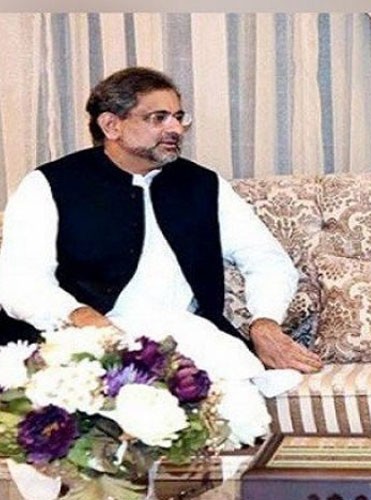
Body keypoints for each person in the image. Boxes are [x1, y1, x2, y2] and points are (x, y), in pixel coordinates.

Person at [0, 67, 322, 379]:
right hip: (86, 341)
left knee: (236, 392)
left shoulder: (203, 184)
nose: (176, 129)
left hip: (189, 338)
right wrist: (81, 317)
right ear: (111, 125)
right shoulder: (49, 184)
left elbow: (265, 258)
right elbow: (20, 282)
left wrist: (265, 321)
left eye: (178, 117)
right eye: (159, 118)